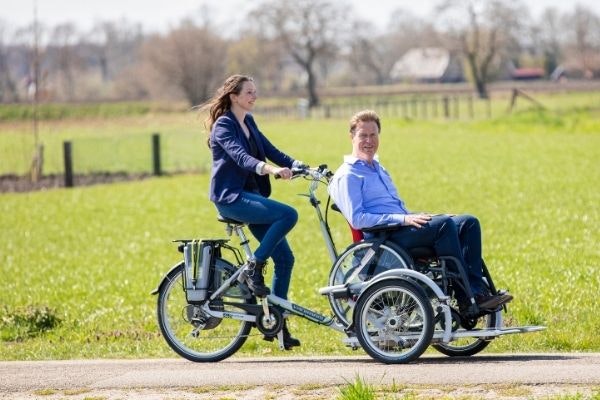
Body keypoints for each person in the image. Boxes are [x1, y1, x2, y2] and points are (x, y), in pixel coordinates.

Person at [328, 109, 513, 313]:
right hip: (384, 239)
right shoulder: (348, 175)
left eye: (373, 135)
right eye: (363, 135)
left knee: (467, 222)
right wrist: (404, 219)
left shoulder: (378, 168)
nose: (369, 141)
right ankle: (465, 298)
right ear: (352, 136)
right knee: (443, 226)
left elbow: (397, 209)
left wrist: (425, 216)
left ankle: (477, 292)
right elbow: (357, 218)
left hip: (399, 227)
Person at [202, 74, 302, 348]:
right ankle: (253, 267)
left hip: (251, 195)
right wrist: (270, 170)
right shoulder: (224, 126)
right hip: (231, 197)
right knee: (288, 214)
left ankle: (277, 325)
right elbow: (242, 157)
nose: (254, 96)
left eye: (255, 92)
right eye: (249, 92)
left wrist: (300, 165)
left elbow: (269, 149)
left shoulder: (249, 122)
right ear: (234, 96)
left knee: (285, 259)